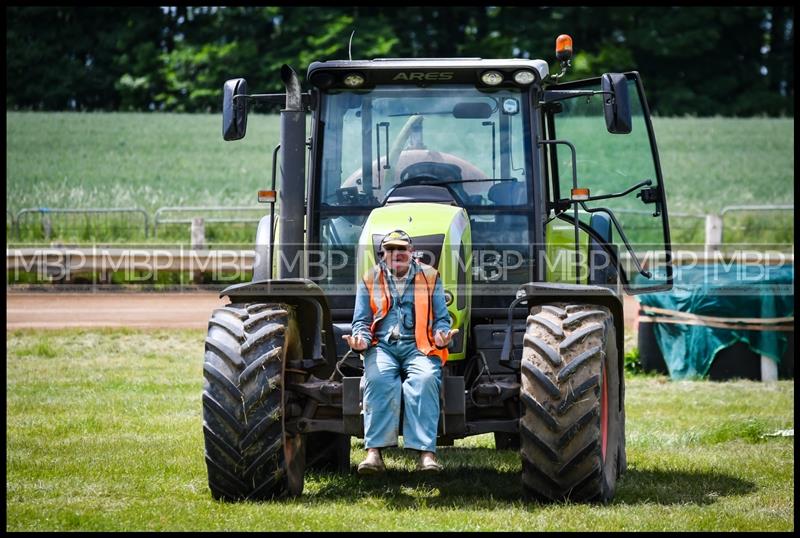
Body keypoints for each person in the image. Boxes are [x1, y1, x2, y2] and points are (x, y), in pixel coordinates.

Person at [342, 229, 458, 474]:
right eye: (391, 249)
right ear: (382, 254)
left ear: (411, 252)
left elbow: (441, 319)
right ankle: (374, 453)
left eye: (401, 249)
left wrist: (441, 335)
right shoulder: (369, 278)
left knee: (425, 379)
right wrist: (361, 340)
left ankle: (426, 455)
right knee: (378, 379)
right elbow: (361, 321)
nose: (397, 254)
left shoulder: (430, 277)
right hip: (382, 346)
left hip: (419, 346)